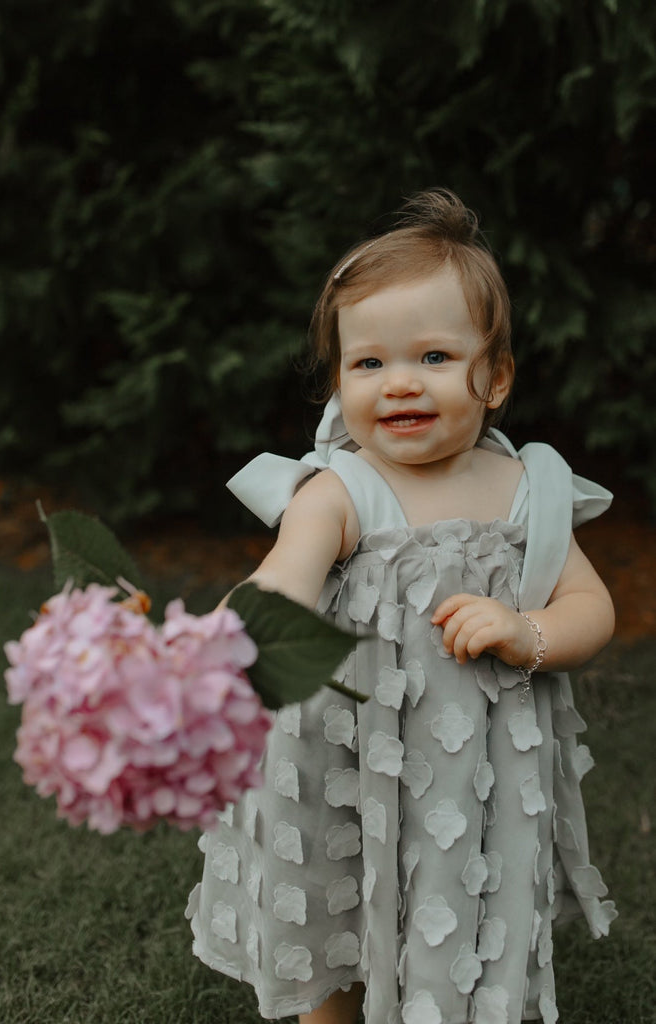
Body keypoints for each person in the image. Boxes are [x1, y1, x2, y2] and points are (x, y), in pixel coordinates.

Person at [186, 188, 617, 1024]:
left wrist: (527, 631)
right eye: (369, 363)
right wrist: (218, 642)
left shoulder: (528, 489)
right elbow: (285, 578)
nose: (399, 385)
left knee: (460, 900)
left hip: (473, 768)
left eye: (433, 357)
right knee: (337, 896)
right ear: (340, 381)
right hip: (344, 751)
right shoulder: (342, 490)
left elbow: (590, 606)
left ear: (493, 379)